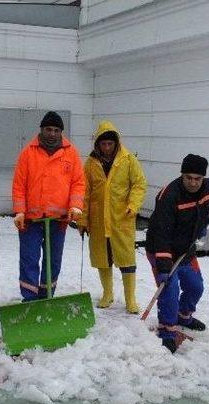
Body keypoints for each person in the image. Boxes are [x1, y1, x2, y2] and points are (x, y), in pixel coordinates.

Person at [145, 154, 209, 353]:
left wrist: (207, 222)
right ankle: (167, 331)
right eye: (188, 177)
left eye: (197, 179)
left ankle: (184, 315)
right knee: (169, 291)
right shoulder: (169, 195)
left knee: (196, 286)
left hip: (186, 250)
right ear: (182, 175)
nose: (193, 182)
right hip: (161, 249)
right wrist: (163, 267)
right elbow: (161, 234)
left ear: (203, 178)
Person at [12, 111, 85, 301]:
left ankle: (47, 296)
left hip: (58, 219)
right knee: (29, 259)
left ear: (61, 132)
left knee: (53, 261)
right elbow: (19, 184)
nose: (52, 134)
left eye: (56, 130)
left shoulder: (71, 153)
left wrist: (75, 206)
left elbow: (78, 182)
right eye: (48, 129)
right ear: (41, 130)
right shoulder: (28, 153)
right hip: (31, 219)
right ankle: (29, 298)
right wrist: (19, 211)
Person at [78, 120, 147, 313]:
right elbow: (84, 192)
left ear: (116, 143)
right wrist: (82, 220)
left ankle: (130, 299)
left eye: (110, 144)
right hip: (98, 221)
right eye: (103, 144)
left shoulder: (128, 160)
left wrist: (133, 205)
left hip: (121, 219)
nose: (107, 148)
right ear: (98, 144)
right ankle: (107, 294)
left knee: (127, 260)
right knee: (103, 258)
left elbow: (139, 185)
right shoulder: (91, 164)